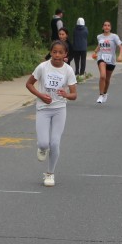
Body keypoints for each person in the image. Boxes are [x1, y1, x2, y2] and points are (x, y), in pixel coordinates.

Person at [26, 40, 77, 187]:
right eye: (54, 52)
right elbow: (29, 84)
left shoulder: (68, 70)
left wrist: (66, 95)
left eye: (60, 52)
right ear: (51, 52)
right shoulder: (43, 67)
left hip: (59, 109)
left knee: (55, 143)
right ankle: (42, 148)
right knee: (44, 143)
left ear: (65, 54)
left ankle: (50, 173)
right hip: (43, 108)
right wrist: (41, 95)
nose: (57, 55)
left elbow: (74, 95)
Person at [92, 20, 122, 103]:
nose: (107, 27)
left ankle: (105, 93)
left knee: (107, 79)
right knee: (103, 76)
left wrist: (120, 56)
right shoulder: (99, 36)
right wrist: (95, 52)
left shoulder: (114, 37)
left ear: (110, 28)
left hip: (111, 60)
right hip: (101, 58)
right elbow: (99, 45)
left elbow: (121, 48)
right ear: (102, 27)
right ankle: (101, 95)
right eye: (105, 25)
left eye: (108, 25)